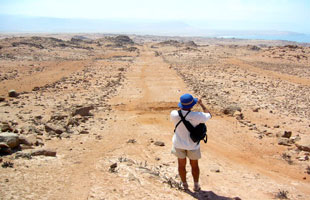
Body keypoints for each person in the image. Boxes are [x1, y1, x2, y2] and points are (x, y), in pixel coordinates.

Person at [170, 93, 212, 191]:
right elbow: (209, 115)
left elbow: (179, 112)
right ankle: (196, 185)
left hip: (178, 144)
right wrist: (201, 104)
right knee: (194, 165)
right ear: (192, 105)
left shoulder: (174, 114)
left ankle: (185, 185)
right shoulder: (197, 116)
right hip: (193, 145)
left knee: (181, 165)